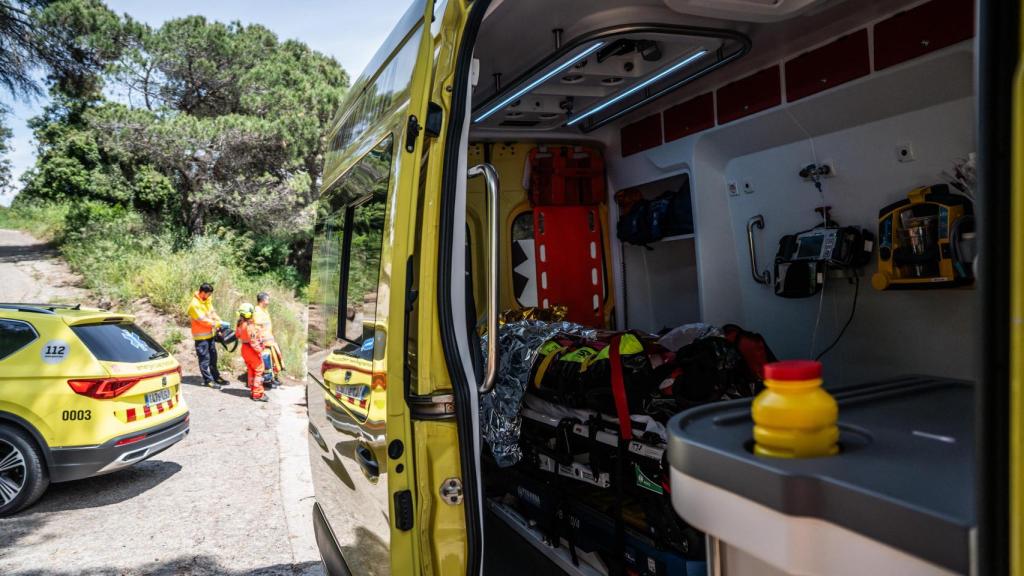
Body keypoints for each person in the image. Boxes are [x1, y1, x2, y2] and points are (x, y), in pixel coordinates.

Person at [187, 283, 229, 389]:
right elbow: (203, 321)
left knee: (213, 358)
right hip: (200, 338)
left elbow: (212, 313)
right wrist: (218, 324)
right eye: (208, 294)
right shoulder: (194, 305)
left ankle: (216, 377)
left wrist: (219, 321)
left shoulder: (207, 300)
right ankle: (208, 380)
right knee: (205, 359)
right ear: (202, 292)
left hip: (209, 335)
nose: (210, 296)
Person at [236, 303, 270, 402]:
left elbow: (237, 335)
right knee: (259, 370)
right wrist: (261, 349)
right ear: (250, 314)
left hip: (244, 349)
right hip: (251, 350)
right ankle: (257, 394)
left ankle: (253, 389)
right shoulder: (250, 326)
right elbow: (254, 342)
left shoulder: (240, 324)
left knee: (251, 370)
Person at [253, 291, 284, 388]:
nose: (269, 301)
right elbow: (257, 328)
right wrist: (261, 341)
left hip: (269, 340)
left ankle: (272, 378)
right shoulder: (257, 311)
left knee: (272, 360)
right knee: (266, 361)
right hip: (264, 342)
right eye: (267, 299)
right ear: (263, 300)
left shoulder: (264, 310)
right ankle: (267, 380)